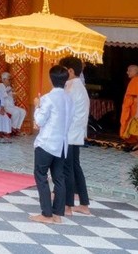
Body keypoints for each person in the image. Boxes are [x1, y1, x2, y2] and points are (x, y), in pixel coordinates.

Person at [31, 65, 73, 224]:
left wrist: (37, 105)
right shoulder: (69, 99)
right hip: (62, 143)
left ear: (51, 79)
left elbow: (40, 121)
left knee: (41, 176)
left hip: (47, 143)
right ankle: (57, 214)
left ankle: (46, 214)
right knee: (59, 178)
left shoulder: (47, 98)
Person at [59, 56, 92, 216]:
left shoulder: (72, 87)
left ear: (70, 71)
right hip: (75, 132)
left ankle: (68, 206)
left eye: (63, 70)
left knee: (68, 169)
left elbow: (64, 110)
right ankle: (84, 204)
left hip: (70, 132)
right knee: (75, 167)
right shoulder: (79, 86)